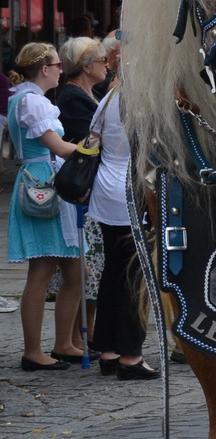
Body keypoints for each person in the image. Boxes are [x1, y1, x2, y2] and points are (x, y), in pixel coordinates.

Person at [7, 43, 87, 370]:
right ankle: (33, 351)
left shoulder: (27, 98)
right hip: (41, 184)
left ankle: (63, 343)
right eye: (57, 65)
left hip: (46, 179)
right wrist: (94, 148)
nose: (60, 70)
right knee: (41, 271)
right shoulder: (31, 101)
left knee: (75, 270)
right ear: (44, 69)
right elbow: (59, 147)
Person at [84, 38, 158, 379]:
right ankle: (130, 355)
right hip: (131, 192)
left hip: (106, 190)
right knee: (134, 276)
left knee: (114, 272)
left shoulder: (110, 97)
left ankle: (109, 350)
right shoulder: (141, 101)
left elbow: (93, 138)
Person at [54, 36, 104, 143]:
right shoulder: (72, 98)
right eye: (102, 59)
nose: (106, 64)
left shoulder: (90, 92)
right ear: (86, 66)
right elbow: (92, 138)